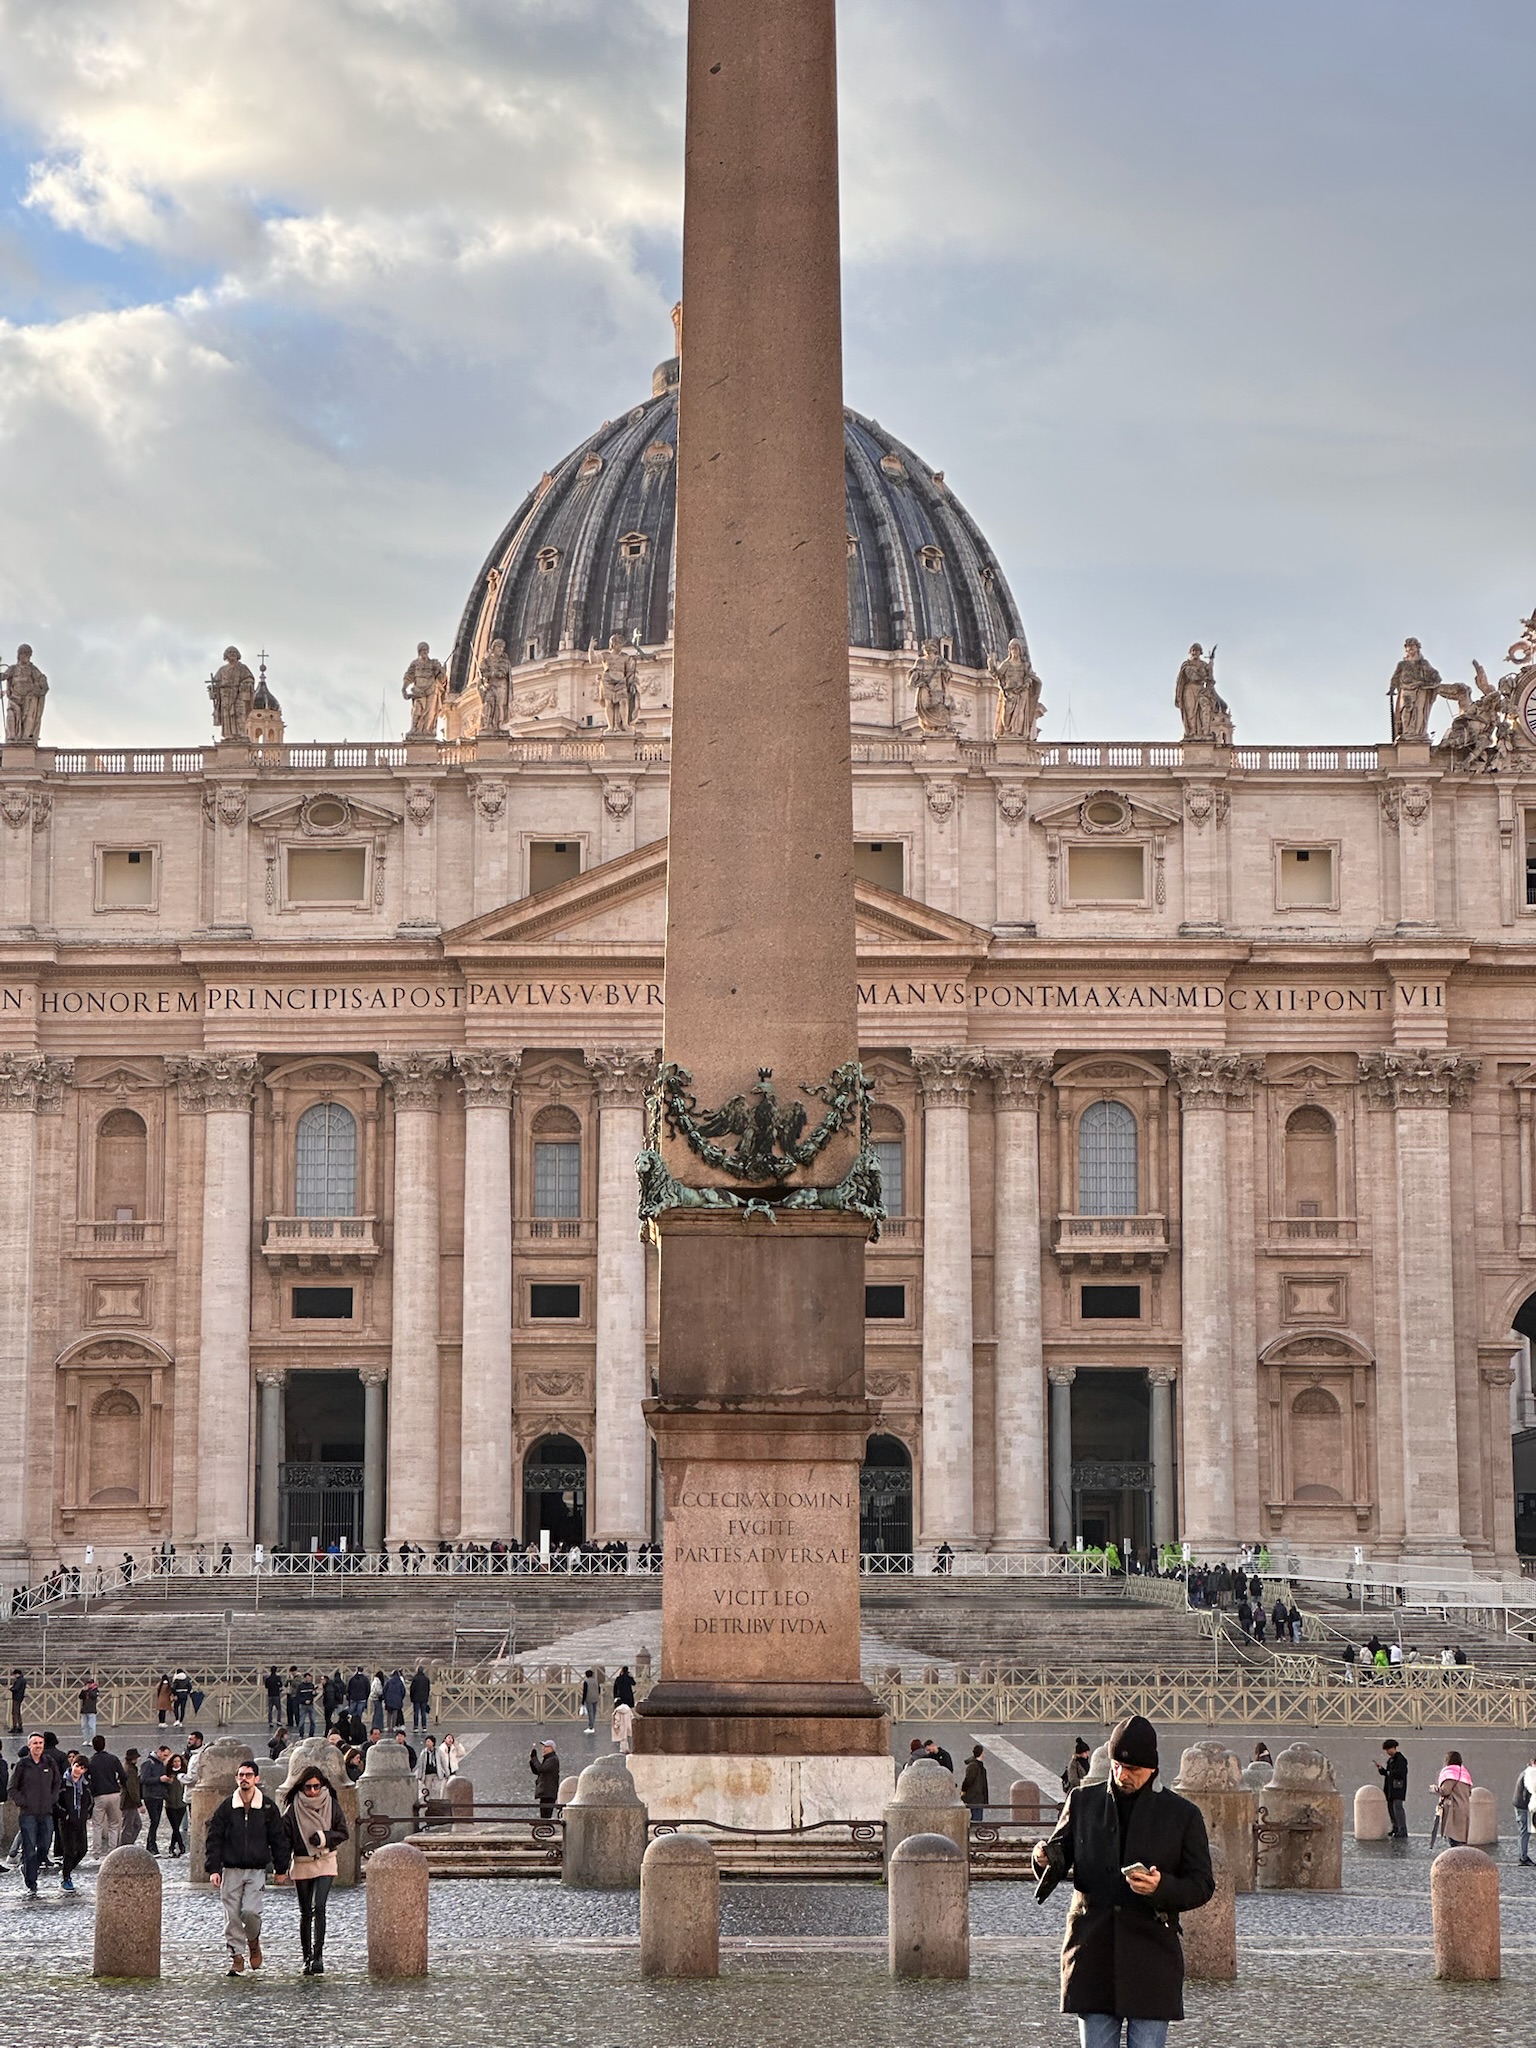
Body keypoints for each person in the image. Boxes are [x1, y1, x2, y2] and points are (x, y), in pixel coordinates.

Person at [1032, 1714, 1214, 2048]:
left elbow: (1202, 1884)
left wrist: (1162, 1888)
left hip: (1151, 1958)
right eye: (1117, 1765)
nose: (1122, 1775)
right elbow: (1059, 1853)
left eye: (1133, 1770)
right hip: (1092, 1954)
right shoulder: (1083, 1801)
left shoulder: (1183, 1815)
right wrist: (1043, 1857)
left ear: (1153, 1770)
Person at [204, 1757, 291, 1976]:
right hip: (231, 1869)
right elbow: (214, 1838)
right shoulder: (226, 1807)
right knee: (232, 1916)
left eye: (248, 1775)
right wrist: (214, 1869)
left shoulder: (267, 1807)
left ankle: (253, 1941)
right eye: (241, 1775)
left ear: (256, 1778)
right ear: (236, 1778)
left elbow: (278, 1838)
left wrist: (281, 1869)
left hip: (256, 1869)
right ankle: (236, 1956)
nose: (244, 1779)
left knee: (251, 1912)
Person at [281, 1765, 348, 1976]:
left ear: (323, 1785)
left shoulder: (332, 1804)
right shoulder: (292, 1809)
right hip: (302, 1861)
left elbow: (343, 1832)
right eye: (308, 1787)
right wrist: (281, 1867)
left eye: (316, 1787)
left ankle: (318, 1956)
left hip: (326, 1859)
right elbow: (285, 1840)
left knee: (319, 1906)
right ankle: (306, 1957)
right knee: (305, 1912)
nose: (312, 1791)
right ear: (301, 1787)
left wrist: (325, 1837)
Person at [12, 1733, 63, 1896]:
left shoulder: (49, 1762)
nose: (38, 1745)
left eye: (40, 1742)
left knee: (44, 1845)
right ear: (29, 1746)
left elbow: (57, 1782)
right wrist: (23, 1801)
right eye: (35, 1743)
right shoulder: (22, 1765)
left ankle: (28, 1868)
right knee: (29, 1848)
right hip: (28, 1814)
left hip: (46, 1811)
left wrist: (52, 1798)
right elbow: (12, 1788)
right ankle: (31, 1881)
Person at [54, 1754, 93, 1893]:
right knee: (69, 1850)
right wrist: (65, 1815)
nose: (78, 1770)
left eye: (82, 1768)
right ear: (72, 1765)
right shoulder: (62, 1782)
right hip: (66, 1821)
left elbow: (90, 1801)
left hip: (80, 1820)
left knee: (82, 1849)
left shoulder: (86, 1784)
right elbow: (56, 1801)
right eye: (77, 1766)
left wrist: (87, 1814)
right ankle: (66, 1878)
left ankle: (67, 1868)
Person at [85, 1733, 125, 1857]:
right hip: (114, 1793)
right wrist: (119, 1783)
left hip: (99, 1795)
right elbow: (123, 1775)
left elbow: (87, 1779)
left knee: (97, 1825)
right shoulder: (113, 1758)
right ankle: (113, 1851)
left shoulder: (91, 1761)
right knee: (114, 1823)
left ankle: (97, 1852)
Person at [1435, 1751, 1473, 1848]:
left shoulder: (1450, 1773)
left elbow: (1445, 1791)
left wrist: (1435, 1789)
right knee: (1461, 1837)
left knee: (1453, 1838)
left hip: (1453, 1809)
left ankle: (1456, 1860)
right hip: (1464, 1807)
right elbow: (1469, 1792)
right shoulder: (1464, 1773)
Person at [1377, 1740, 1409, 1841]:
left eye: (1388, 1749)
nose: (1387, 1752)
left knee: (1398, 1809)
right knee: (1391, 1808)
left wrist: (1389, 1772)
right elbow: (1387, 1773)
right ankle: (1395, 1827)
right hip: (1390, 1788)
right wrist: (1382, 1770)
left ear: (1394, 1748)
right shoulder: (1391, 1760)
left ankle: (1402, 1829)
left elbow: (1400, 1773)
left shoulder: (1400, 1759)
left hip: (1398, 1788)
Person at [163, 1753, 188, 1857]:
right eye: (175, 1761)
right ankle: (181, 1846)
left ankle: (172, 1847)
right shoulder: (168, 1774)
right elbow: (163, 1789)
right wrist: (167, 1797)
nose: (177, 1763)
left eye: (178, 1761)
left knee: (176, 1827)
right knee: (175, 1826)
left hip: (181, 1804)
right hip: (170, 1804)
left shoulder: (184, 1774)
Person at [529, 1740, 561, 1819]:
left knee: (546, 1815)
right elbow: (537, 1771)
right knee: (544, 1815)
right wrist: (532, 1761)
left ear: (552, 1749)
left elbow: (541, 1769)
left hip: (549, 1792)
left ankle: (546, 1829)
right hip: (545, 1792)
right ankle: (545, 1828)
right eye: (543, 1747)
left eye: (546, 1747)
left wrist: (535, 1758)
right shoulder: (547, 1759)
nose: (544, 1749)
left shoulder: (553, 1759)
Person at [1515, 1753, 1536, 1867]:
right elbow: (1529, 1793)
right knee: (1525, 1831)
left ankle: (1523, 1856)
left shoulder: (1527, 1772)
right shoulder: (1531, 1774)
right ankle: (1523, 1857)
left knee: (1525, 1831)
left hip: (1521, 1805)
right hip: (1524, 1806)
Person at [961, 1744, 989, 1823]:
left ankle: (976, 1831)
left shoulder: (978, 1765)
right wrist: (964, 1791)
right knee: (976, 1819)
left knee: (977, 1818)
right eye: (983, 1752)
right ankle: (975, 1832)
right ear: (981, 1753)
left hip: (978, 1796)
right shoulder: (974, 1766)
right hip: (974, 1796)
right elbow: (968, 1780)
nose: (984, 1753)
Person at [409, 1664, 432, 1732]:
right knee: (423, 1713)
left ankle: (416, 1726)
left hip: (416, 1698)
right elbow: (428, 1689)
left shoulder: (415, 1678)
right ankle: (424, 1726)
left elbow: (412, 1689)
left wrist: (411, 1697)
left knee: (416, 1713)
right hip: (424, 1698)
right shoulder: (426, 1679)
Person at [580, 1669, 601, 1737]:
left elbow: (585, 1692)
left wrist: (583, 1701)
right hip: (595, 1697)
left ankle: (591, 1726)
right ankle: (592, 1724)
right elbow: (599, 1689)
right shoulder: (596, 1681)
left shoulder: (586, 1682)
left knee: (590, 1712)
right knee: (594, 1712)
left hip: (589, 1698)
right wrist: (597, 1695)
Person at [79, 1676, 99, 1742]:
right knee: (84, 1726)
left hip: (91, 1710)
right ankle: (86, 1739)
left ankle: (92, 1740)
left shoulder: (95, 1690)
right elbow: (80, 1697)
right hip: (84, 1710)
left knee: (91, 1726)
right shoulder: (84, 1690)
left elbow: (94, 1696)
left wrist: (88, 1690)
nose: (88, 1684)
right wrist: (83, 1691)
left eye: (89, 1683)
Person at [263, 1666, 283, 1731]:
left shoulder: (268, 1678)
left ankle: (270, 1722)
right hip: (276, 1695)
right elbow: (280, 1685)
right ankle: (278, 1721)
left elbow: (266, 1686)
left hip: (270, 1694)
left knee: (270, 1709)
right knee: (279, 1709)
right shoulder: (278, 1678)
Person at [9, 1668, 25, 1734]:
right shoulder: (23, 1680)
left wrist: (11, 1689)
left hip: (16, 1697)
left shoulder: (19, 1681)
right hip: (20, 1697)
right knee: (18, 1712)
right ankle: (20, 1725)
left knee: (14, 1712)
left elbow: (16, 1688)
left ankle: (15, 1726)